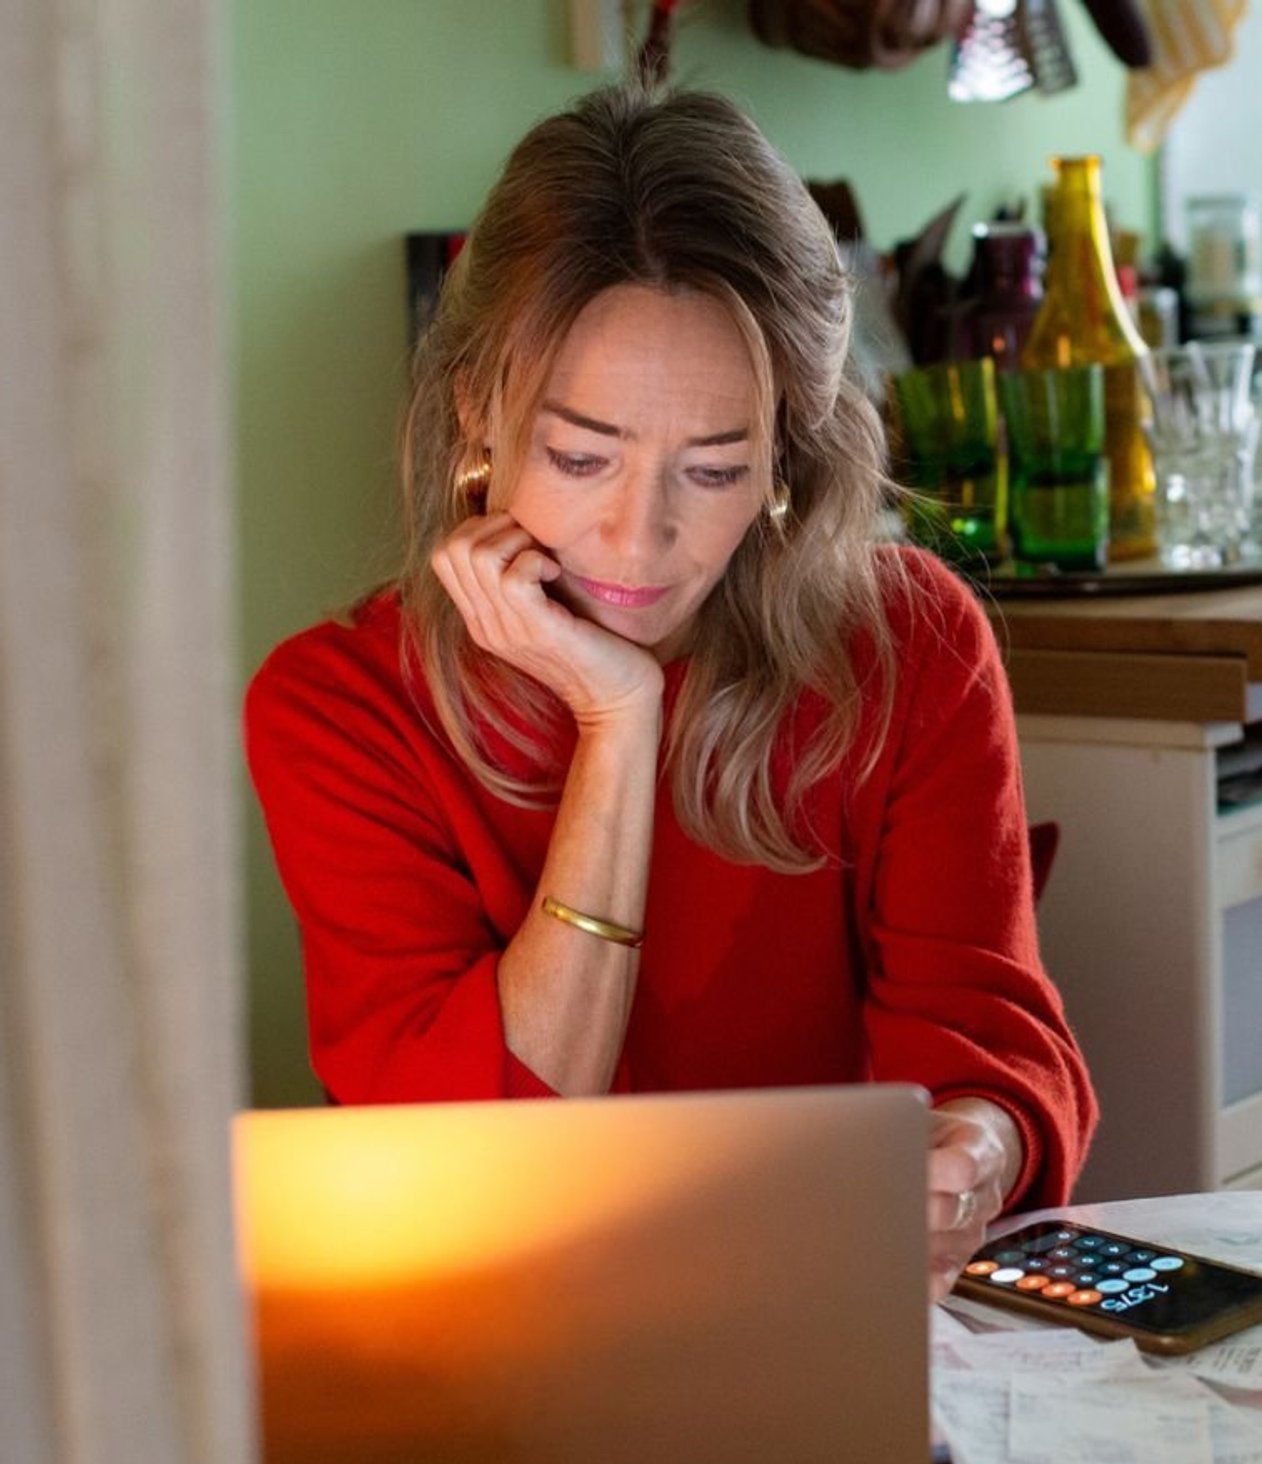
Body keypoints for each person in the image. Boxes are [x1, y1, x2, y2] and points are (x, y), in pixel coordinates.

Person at [244, 83, 1097, 1299]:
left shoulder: (908, 646)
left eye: (713, 469)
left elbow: (989, 1040)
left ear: (789, 456)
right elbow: (486, 1165)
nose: (637, 543)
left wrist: (978, 1145)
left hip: (839, 1324)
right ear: (477, 411)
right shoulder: (335, 712)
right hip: (500, 1364)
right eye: (581, 456)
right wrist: (617, 721)